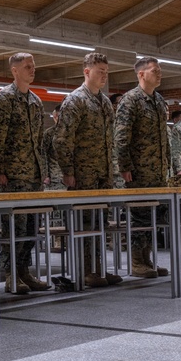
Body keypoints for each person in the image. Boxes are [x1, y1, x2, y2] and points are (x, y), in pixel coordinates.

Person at [53, 53, 123, 288]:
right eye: (99, 70)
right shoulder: (76, 100)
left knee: (100, 223)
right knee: (83, 224)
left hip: (102, 174)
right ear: (86, 72)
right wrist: (68, 170)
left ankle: (98, 268)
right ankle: (84, 270)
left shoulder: (104, 103)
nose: (104, 75)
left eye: (106, 70)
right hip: (82, 174)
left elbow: (110, 140)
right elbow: (62, 140)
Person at [0, 53, 50, 293]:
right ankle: (11, 274)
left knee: (32, 229)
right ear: (14, 70)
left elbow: (39, 140)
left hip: (33, 175)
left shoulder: (35, 101)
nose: (32, 70)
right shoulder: (4, 99)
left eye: (33, 66)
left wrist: (42, 171)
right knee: (13, 228)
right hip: (12, 175)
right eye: (27, 66)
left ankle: (25, 270)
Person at [115, 57, 170, 278]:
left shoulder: (158, 100)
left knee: (153, 217)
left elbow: (163, 136)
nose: (160, 74)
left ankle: (147, 259)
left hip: (157, 171)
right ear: (141, 74)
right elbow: (121, 137)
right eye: (155, 70)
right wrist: (125, 165)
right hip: (137, 171)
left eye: (160, 70)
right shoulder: (130, 100)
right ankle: (137, 261)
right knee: (139, 217)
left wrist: (167, 163)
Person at [42, 105, 65, 191]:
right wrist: (45, 175)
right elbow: (43, 154)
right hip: (54, 178)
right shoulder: (49, 133)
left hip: (69, 178)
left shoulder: (72, 133)